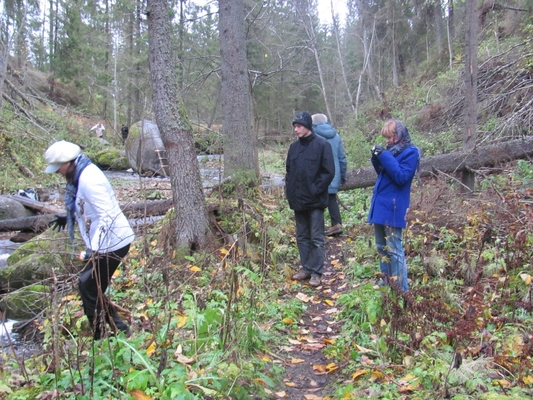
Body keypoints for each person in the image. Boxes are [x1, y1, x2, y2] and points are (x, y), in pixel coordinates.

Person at [44, 140, 135, 339]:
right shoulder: (80, 173)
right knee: (91, 287)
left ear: (68, 162)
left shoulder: (89, 179)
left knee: (88, 286)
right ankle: (118, 330)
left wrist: (94, 249)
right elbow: (86, 206)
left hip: (113, 242)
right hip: (107, 242)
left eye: (58, 167)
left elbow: (106, 215)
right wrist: (69, 215)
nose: (58, 172)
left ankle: (101, 336)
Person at [368, 120, 420, 292]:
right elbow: (383, 173)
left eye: (390, 137)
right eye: (386, 138)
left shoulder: (411, 153)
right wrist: (376, 158)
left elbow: (401, 177)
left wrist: (384, 155)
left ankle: (401, 290)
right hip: (382, 206)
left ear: (399, 135)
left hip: (394, 208)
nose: (388, 141)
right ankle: (386, 284)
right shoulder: (393, 152)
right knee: (381, 247)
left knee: (395, 250)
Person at [285, 111, 335, 287]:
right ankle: (306, 268)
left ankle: (316, 272)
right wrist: (289, 191)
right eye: (294, 127)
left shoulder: (322, 145)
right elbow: (289, 171)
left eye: (298, 126)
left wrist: (315, 189)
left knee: (316, 237)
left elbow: (328, 172)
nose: (296, 130)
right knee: (302, 236)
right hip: (298, 200)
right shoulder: (293, 148)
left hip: (315, 200)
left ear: (307, 126)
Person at [311, 113, 347, 236]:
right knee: (331, 199)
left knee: (317, 200)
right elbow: (342, 158)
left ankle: (317, 228)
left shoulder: (312, 136)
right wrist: (342, 175)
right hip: (334, 174)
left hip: (318, 174)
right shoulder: (336, 136)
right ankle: (336, 224)